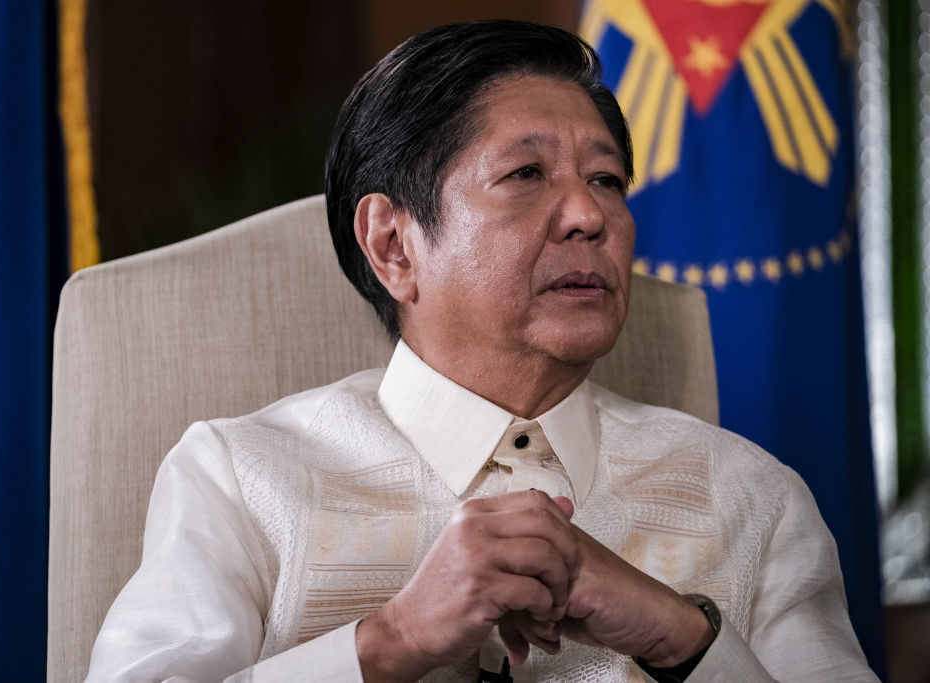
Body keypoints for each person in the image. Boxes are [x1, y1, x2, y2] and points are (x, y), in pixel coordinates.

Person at [86, 20, 876, 682]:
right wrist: (387, 642)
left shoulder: (753, 498)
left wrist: (682, 636)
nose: (589, 217)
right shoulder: (241, 477)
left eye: (607, 180)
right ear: (393, 245)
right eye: (527, 173)